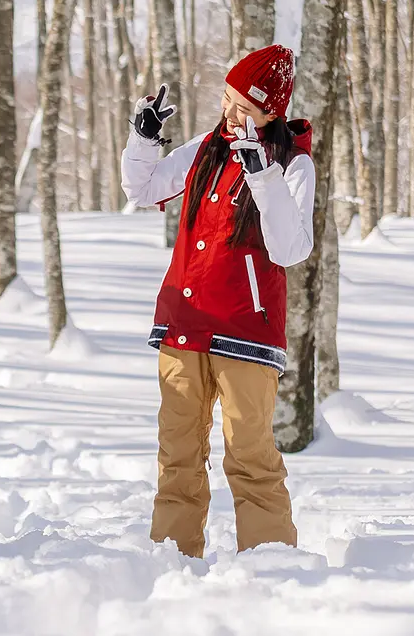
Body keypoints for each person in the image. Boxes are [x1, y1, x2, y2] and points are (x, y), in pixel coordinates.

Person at [121, 44, 314, 558]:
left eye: (245, 108)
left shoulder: (292, 165)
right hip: (184, 323)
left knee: (251, 457)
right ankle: (172, 562)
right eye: (228, 99)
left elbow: (291, 249)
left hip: (246, 334)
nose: (231, 114)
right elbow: (140, 191)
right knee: (178, 454)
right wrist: (143, 140)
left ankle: (272, 565)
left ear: (272, 112)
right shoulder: (207, 146)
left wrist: (262, 176)